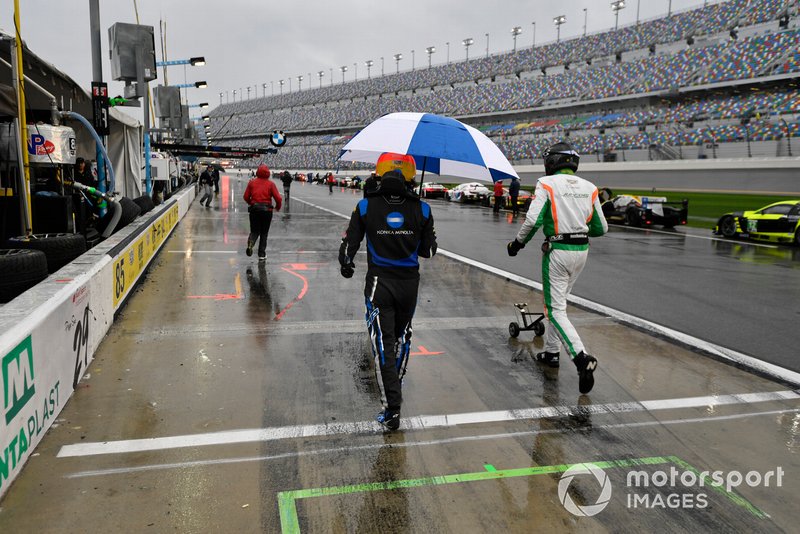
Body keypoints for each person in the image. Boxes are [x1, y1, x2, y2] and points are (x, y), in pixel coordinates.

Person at [339, 153, 437, 431]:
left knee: (383, 342)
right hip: (410, 284)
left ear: (379, 176)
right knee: (402, 336)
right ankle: (396, 379)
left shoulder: (366, 206)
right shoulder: (424, 209)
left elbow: (349, 245)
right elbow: (428, 252)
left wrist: (346, 265)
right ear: (410, 179)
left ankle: (392, 408)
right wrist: (412, 227)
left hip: (379, 283)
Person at [506, 142, 608, 394]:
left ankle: (581, 358)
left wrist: (517, 243)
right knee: (559, 307)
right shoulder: (591, 187)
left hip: (558, 251)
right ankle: (552, 353)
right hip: (581, 252)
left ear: (551, 162)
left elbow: (533, 219)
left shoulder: (546, 184)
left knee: (554, 309)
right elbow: (601, 228)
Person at [243, 164, 282, 260]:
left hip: (254, 210)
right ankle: (261, 254)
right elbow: (278, 198)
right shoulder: (271, 184)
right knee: (264, 233)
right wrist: (277, 207)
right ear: (268, 173)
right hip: (266, 211)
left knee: (254, 231)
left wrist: (251, 203)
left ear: (257, 172)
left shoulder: (252, 183)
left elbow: (246, 196)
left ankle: (251, 243)